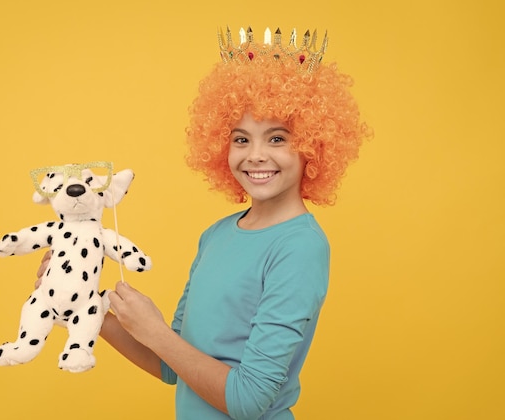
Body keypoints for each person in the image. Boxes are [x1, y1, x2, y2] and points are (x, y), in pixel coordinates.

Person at [39, 26, 370, 419]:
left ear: (312, 146)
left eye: (277, 139)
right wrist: (87, 306)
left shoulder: (300, 247)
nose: (256, 155)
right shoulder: (216, 235)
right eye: (241, 139)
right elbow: (170, 366)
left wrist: (156, 332)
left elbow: (247, 402)